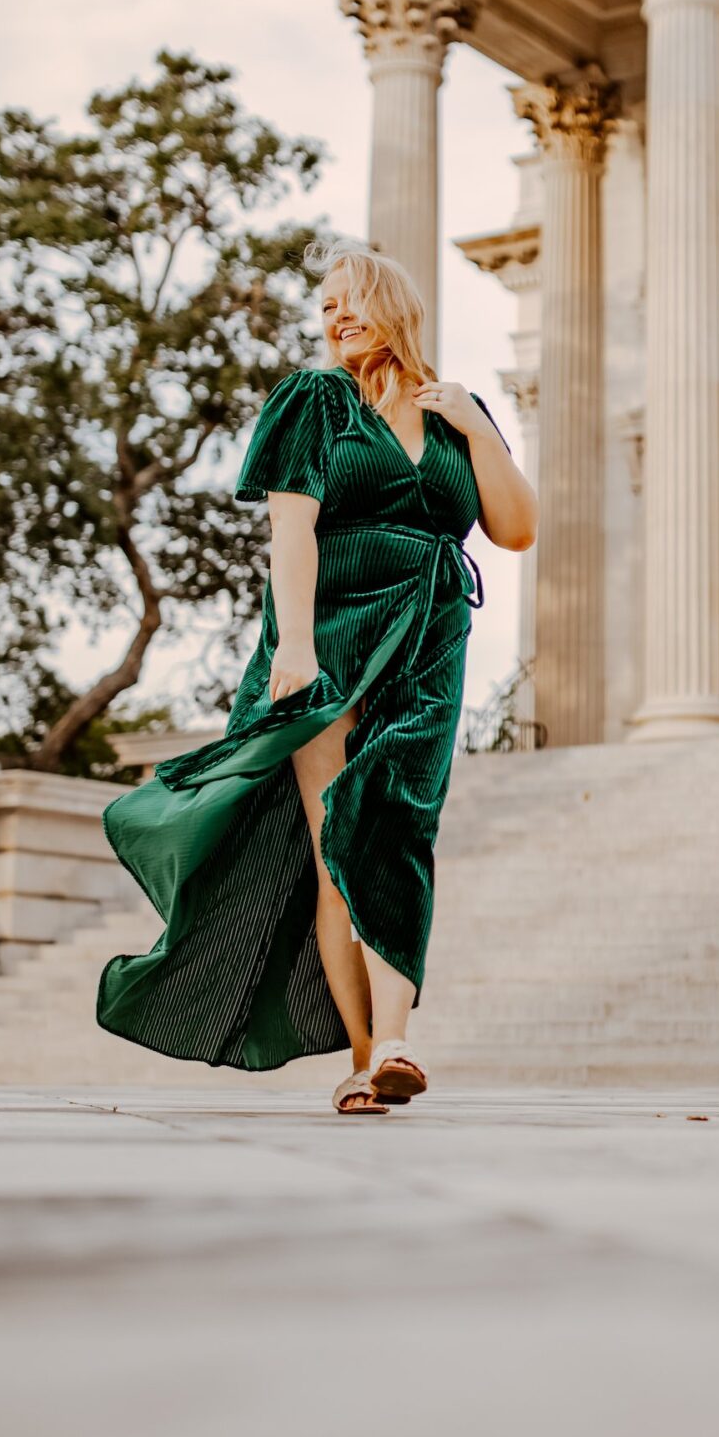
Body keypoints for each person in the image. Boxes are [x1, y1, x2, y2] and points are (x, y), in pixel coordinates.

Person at [97, 246, 538, 1112]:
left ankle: (397, 1041)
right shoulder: (313, 401)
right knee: (340, 841)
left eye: (349, 301)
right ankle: (372, 1055)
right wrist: (292, 650)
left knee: (399, 823)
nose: (333, 318)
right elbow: (290, 534)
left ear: (394, 304)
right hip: (328, 637)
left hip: (429, 633)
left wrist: (480, 430)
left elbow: (515, 530)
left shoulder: (457, 410)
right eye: (324, 306)